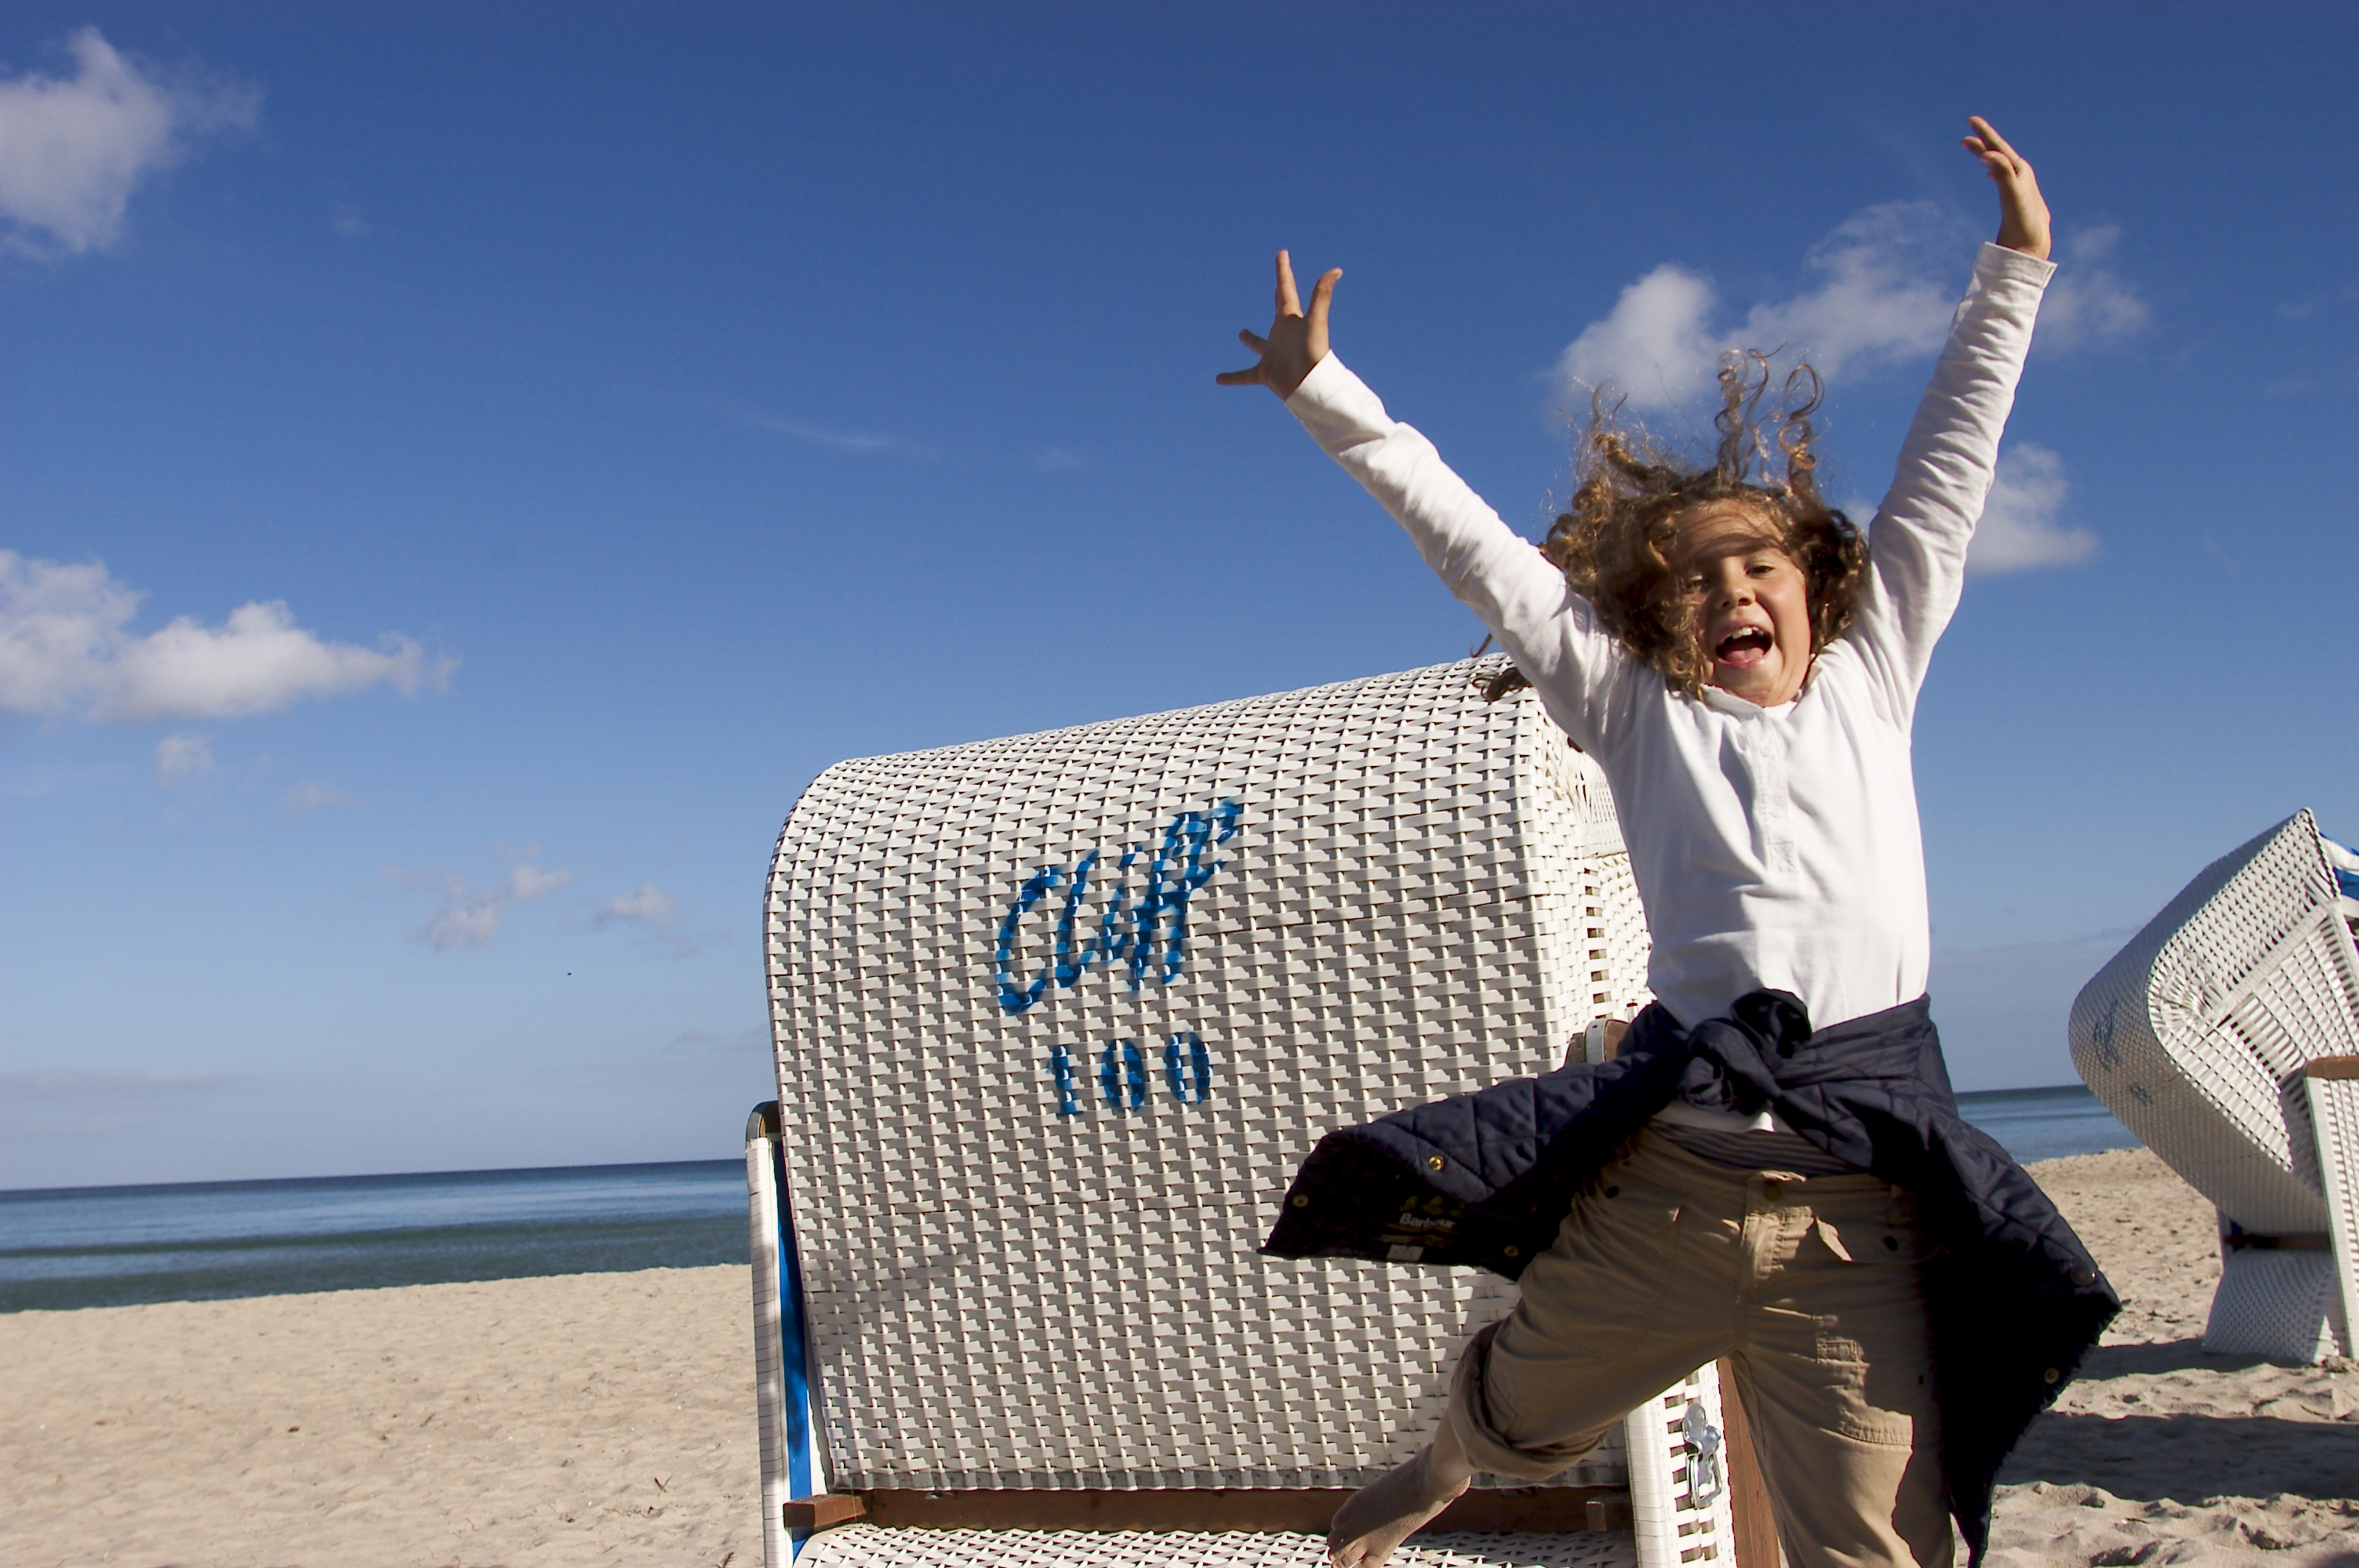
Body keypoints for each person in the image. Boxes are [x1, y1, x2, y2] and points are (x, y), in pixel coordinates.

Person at [1225, 120, 2116, 1568]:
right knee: (1515, 1418)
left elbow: (1950, 467)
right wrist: (1325, 391)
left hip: (1852, 1227)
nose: (1733, 591)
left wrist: (2016, 267)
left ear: (1820, 590)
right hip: (1674, 1198)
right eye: (1695, 579)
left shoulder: (1875, 677)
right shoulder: (1634, 710)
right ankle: (1445, 1461)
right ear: (1652, 617)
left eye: (1760, 565)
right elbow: (1475, 550)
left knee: (1888, 1552)